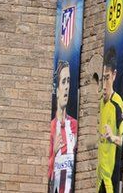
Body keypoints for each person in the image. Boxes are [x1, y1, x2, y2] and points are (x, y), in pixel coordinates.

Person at [97, 47, 123, 193]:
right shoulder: (101, 103)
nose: (104, 85)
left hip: (111, 183)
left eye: (107, 78)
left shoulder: (118, 105)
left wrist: (112, 137)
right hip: (99, 180)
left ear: (114, 75)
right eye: (102, 79)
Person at [48, 60, 77, 193]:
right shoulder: (51, 128)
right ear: (57, 89)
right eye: (63, 82)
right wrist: (54, 153)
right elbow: (46, 174)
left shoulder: (75, 125)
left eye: (68, 81)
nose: (66, 87)